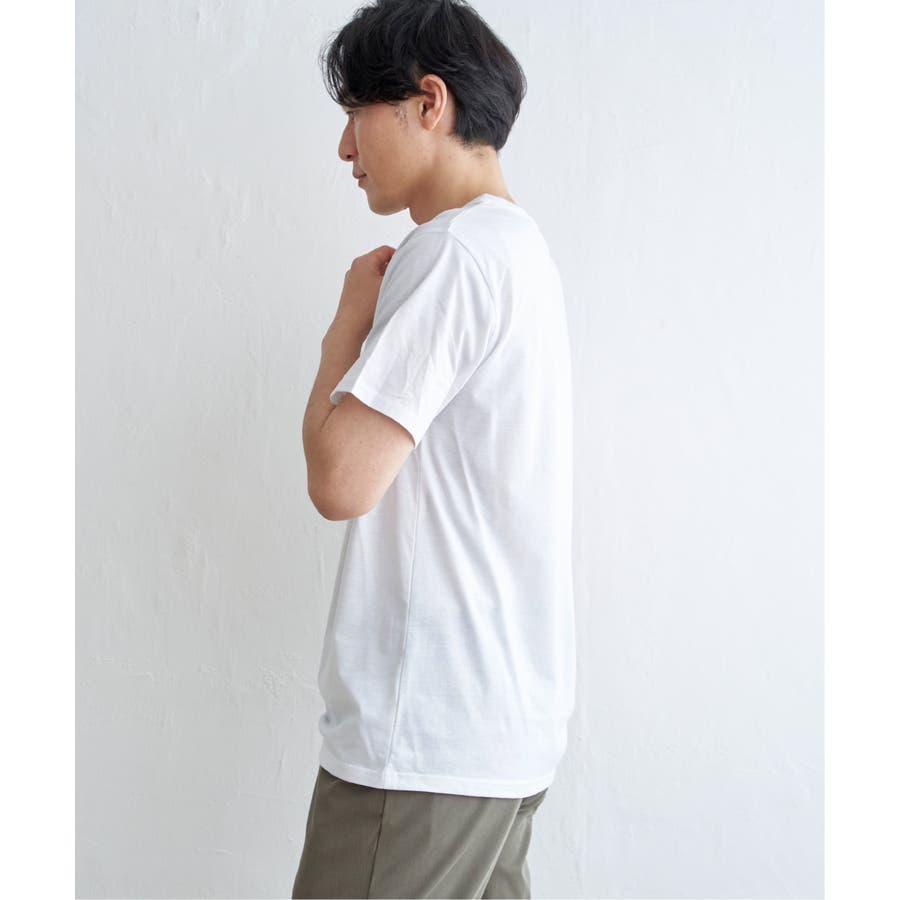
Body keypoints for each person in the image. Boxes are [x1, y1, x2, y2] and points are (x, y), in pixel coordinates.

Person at [293, 1, 575, 896]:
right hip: (502, 734)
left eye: (357, 114)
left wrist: (345, 329)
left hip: (424, 744)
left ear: (428, 102)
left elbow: (341, 480)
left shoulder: (453, 252)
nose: (346, 148)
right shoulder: (520, 251)